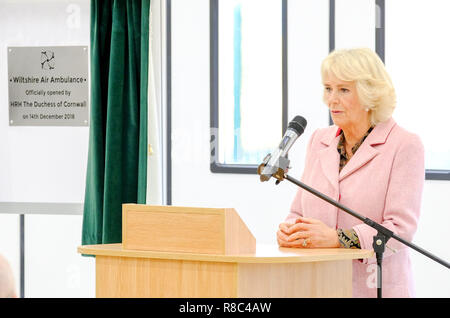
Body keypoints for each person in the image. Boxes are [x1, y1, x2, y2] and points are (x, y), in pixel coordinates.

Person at [277, 48, 424, 298]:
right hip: (318, 286)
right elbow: (298, 212)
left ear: (370, 95)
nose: (331, 99)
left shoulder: (404, 145)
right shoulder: (318, 140)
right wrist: (290, 230)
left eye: (343, 90)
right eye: (328, 88)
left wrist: (336, 238)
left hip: (375, 288)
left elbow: (400, 229)